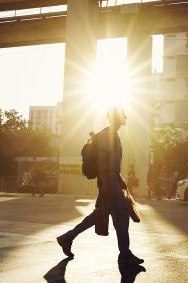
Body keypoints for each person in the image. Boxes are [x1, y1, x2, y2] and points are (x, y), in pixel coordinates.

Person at [56, 107, 144, 265]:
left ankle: (67, 238)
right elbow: (102, 160)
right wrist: (105, 182)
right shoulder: (108, 134)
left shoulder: (113, 134)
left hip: (112, 179)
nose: (126, 118)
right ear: (117, 118)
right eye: (123, 115)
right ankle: (124, 254)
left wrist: (119, 179)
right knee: (122, 212)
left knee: (98, 215)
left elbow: (111, 162)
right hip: (108, 180)